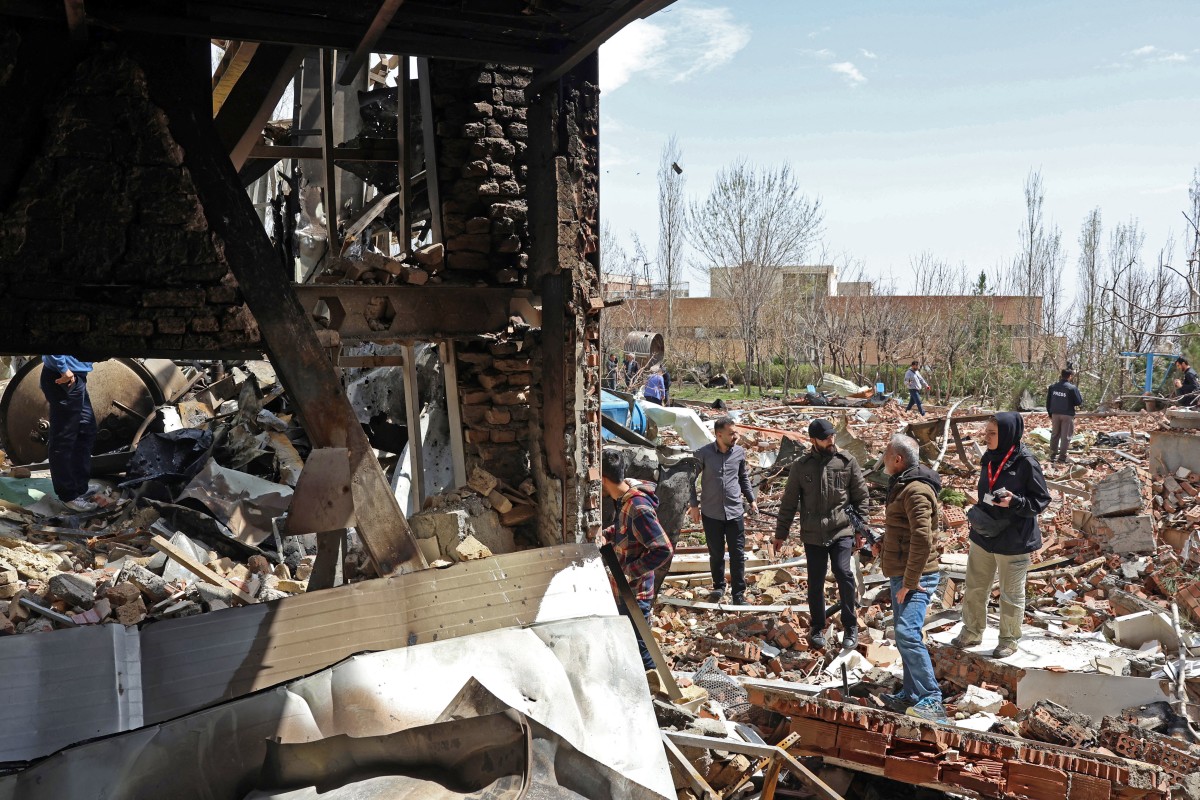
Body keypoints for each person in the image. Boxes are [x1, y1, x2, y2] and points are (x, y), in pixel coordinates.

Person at [953, 412, 1050, 658]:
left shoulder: (1027, 462)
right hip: (984, 534)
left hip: (1014, 538)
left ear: (1007, 434)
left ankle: (1008, 639)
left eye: (992, 433)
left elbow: (1041, 500)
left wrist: (1016, 502)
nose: (986, 437)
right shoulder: (990, 458)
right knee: (975, 586)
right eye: (986, 432)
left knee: (1011, 594)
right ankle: (971, 631)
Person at [769, 418, 868, 650]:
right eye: (825, 438)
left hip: (841, 529)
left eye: (832, 436)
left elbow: (861, 498)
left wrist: (861, 530)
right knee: (815, 580)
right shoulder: (801, 467)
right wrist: (780, 534)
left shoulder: (846, 462)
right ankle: (817, 626)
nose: (830, 440)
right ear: (813, 440)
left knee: (843, 573)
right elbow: (789, 503)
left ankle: (850, 625)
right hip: (813, 534)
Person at [878, 434, 948, 723]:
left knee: (907, 633)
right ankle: (911, 694)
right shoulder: (904, 485)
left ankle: (931, 699)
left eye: (885, 454)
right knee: (904, 634)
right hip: (903, 573)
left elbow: (922, 537)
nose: (881, 458)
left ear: (898, 459)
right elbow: (904, 529)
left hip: (917, 576)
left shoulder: (915, 490)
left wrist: (910, 580)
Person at [601, 448, 673, 670]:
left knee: (643, 653)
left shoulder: (637, 507)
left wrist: (629, 571)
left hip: (635, 593)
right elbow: (628, 529)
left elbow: (663, 549)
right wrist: (609, 533)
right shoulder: (624, 499)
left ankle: (655, 697)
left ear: (604, 480)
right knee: (630, 647)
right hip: (624, 590)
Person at [689, 416, 758, 605]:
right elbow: (690, 480)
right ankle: (719, 587)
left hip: (735, 511)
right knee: (716, 553)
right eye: (731, 433)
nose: (735, 436)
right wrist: (694, 505)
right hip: (711, 513)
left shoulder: (739, 453)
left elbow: (743, 477)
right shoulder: (703, 454)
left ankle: (738, 594)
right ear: (719, 435)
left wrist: (751, 499)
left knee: (737, 554)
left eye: (736, 432)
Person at [39, 355, 99, 512]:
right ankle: (68, 495)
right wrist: (63, 368)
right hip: (62, 377)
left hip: (76, 377)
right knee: (64, 437)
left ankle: (79, 487)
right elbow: (52, 338)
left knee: (86, 429)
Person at [1046, 369, 1083, 463]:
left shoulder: (1053, 387)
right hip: (1067, 415)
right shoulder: (1072, 388)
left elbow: (1048, 402)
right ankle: (1062, 457)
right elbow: (1078, 402)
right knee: (1065, 436)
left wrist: (1050, 413)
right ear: (1070, 376)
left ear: (1061, 375)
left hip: (1055, 414)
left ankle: (1052, 455)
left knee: (1055, 435)